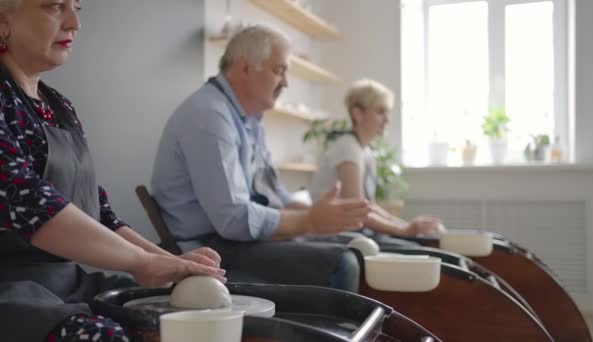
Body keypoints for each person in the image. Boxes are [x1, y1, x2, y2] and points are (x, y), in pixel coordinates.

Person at [0, 1, 225, 341]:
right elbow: (30, 204)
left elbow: (97, 212)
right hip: (12, 293)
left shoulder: (60, 107)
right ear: (3, 22)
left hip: (67, 285)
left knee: (169, 310)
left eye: (76, 7)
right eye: (54, 7)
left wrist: (174, 264)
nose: (74, 22)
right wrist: (142, 263)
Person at [151, 25, 370, 292]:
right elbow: (233, 219)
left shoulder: (251, 120)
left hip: (235, 239)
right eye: (279, 70)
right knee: (344, 262)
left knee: (354, 243)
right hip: (211, 249)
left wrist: (329, 217)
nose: (286, 82)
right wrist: (309, 221)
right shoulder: (209, 117)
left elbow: (276, 195)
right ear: (245, 69)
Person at [309, 78, 445, 239]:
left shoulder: (364, 151)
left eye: (387, 112)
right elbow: (357, 210)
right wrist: (405, 230)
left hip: (355, 233)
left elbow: (368, 206)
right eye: (380, 112)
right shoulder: (348, 148)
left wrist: (405, 225)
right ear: (358, 114)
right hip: (336, 237)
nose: (387, 120)